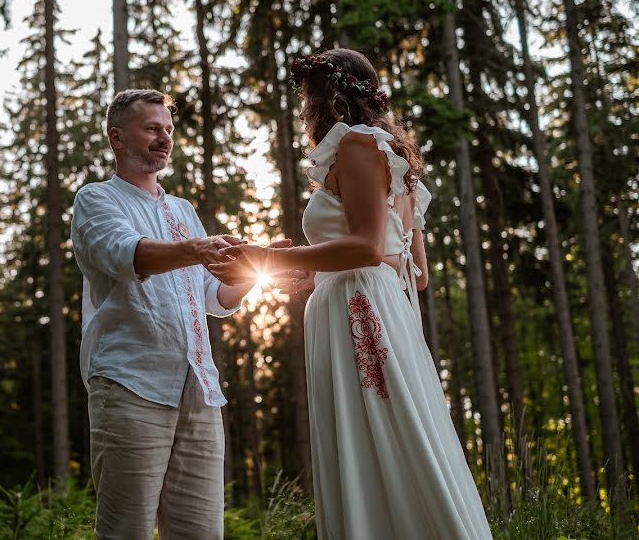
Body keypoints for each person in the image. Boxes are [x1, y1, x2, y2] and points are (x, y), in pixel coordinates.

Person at [211, 49, 493, 539]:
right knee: (391, 431)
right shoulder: (396, 161)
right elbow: (416, 272)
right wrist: (317, 272)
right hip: (383, 305)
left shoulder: (359, 146)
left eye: (306, 99)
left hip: (359, 311)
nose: (304, 111)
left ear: (328, 99)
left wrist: (268, 257)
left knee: (375, 432)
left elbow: (363, 247)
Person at [70, 89, 286, 540]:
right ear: (116, 137)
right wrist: (196, 249)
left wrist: (265, 268)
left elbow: (215, 296)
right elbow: (126, 256)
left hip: (200, 391)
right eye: (151, 128)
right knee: (124, 531)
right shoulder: (96, 199)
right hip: (131, 385)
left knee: (202, 533)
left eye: (168, 129)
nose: (164, 138)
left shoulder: (183, 210)